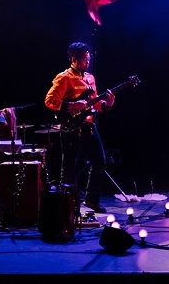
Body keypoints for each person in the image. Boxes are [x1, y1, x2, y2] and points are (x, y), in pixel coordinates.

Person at [44, 41, 115, 213]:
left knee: (100, 162)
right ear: (73, 59)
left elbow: (94, 104)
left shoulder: (90, 78)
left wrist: (107, 104)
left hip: (89, 126)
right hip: (71, 128)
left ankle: (91, 200)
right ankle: (68, 206)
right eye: (84, 59)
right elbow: (49, 101)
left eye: (88, 58)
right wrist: (71, 105)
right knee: (68, 167)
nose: (87, 62)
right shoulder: (64, 77)